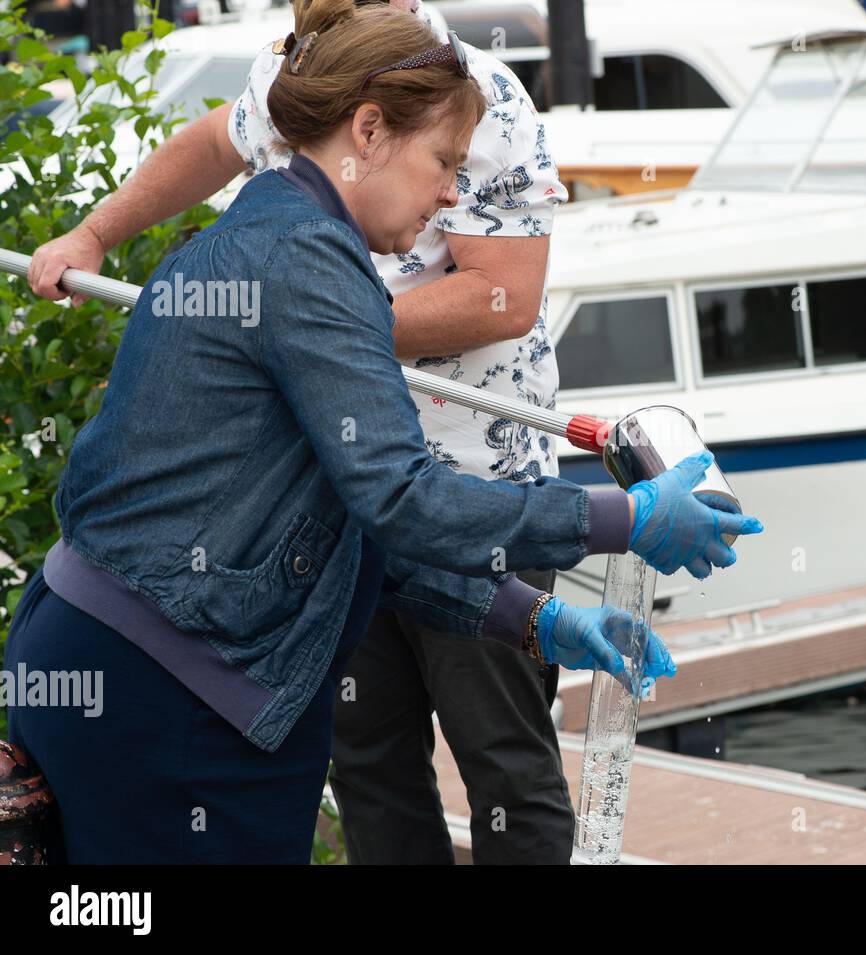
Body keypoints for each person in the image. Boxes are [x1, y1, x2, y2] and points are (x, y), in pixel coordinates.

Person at [5, 0, 761, 864]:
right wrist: (624, 520)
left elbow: (342, 520)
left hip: (120, 654)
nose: (450, 192)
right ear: (368, 130)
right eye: (443, 160)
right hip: (168, 690)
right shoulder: (308, 264)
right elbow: (401, 496)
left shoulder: (272, 227)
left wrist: (526, 616)